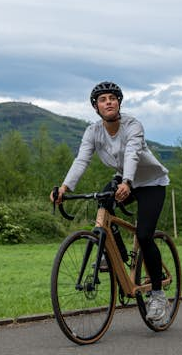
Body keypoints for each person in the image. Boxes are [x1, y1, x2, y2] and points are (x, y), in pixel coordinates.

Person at [50, 81, 170, 321]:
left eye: (113, 98)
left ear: (119, 103)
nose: (109, 102)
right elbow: (81, 160)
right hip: (123, 179)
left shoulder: (133, 125)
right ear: (96, 107)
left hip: (150, 183)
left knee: (145, 235)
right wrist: (64, 188)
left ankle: (157, 294)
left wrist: (127, 182)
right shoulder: (93, 132)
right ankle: (113, 253)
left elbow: (132, 153)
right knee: (103, 202)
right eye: (103, 99)